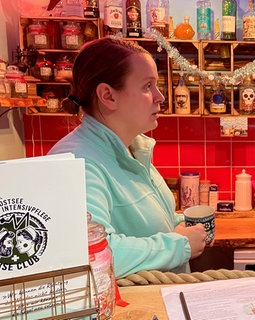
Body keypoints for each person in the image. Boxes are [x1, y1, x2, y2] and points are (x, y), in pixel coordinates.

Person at [48, 37, 207, 278]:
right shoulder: (77, 164)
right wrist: (179, 245)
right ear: (108, 96)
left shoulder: (132, 148)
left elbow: (142, 224)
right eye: (147, 86)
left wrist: (181, 222)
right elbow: (91, 253)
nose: (160, 97)